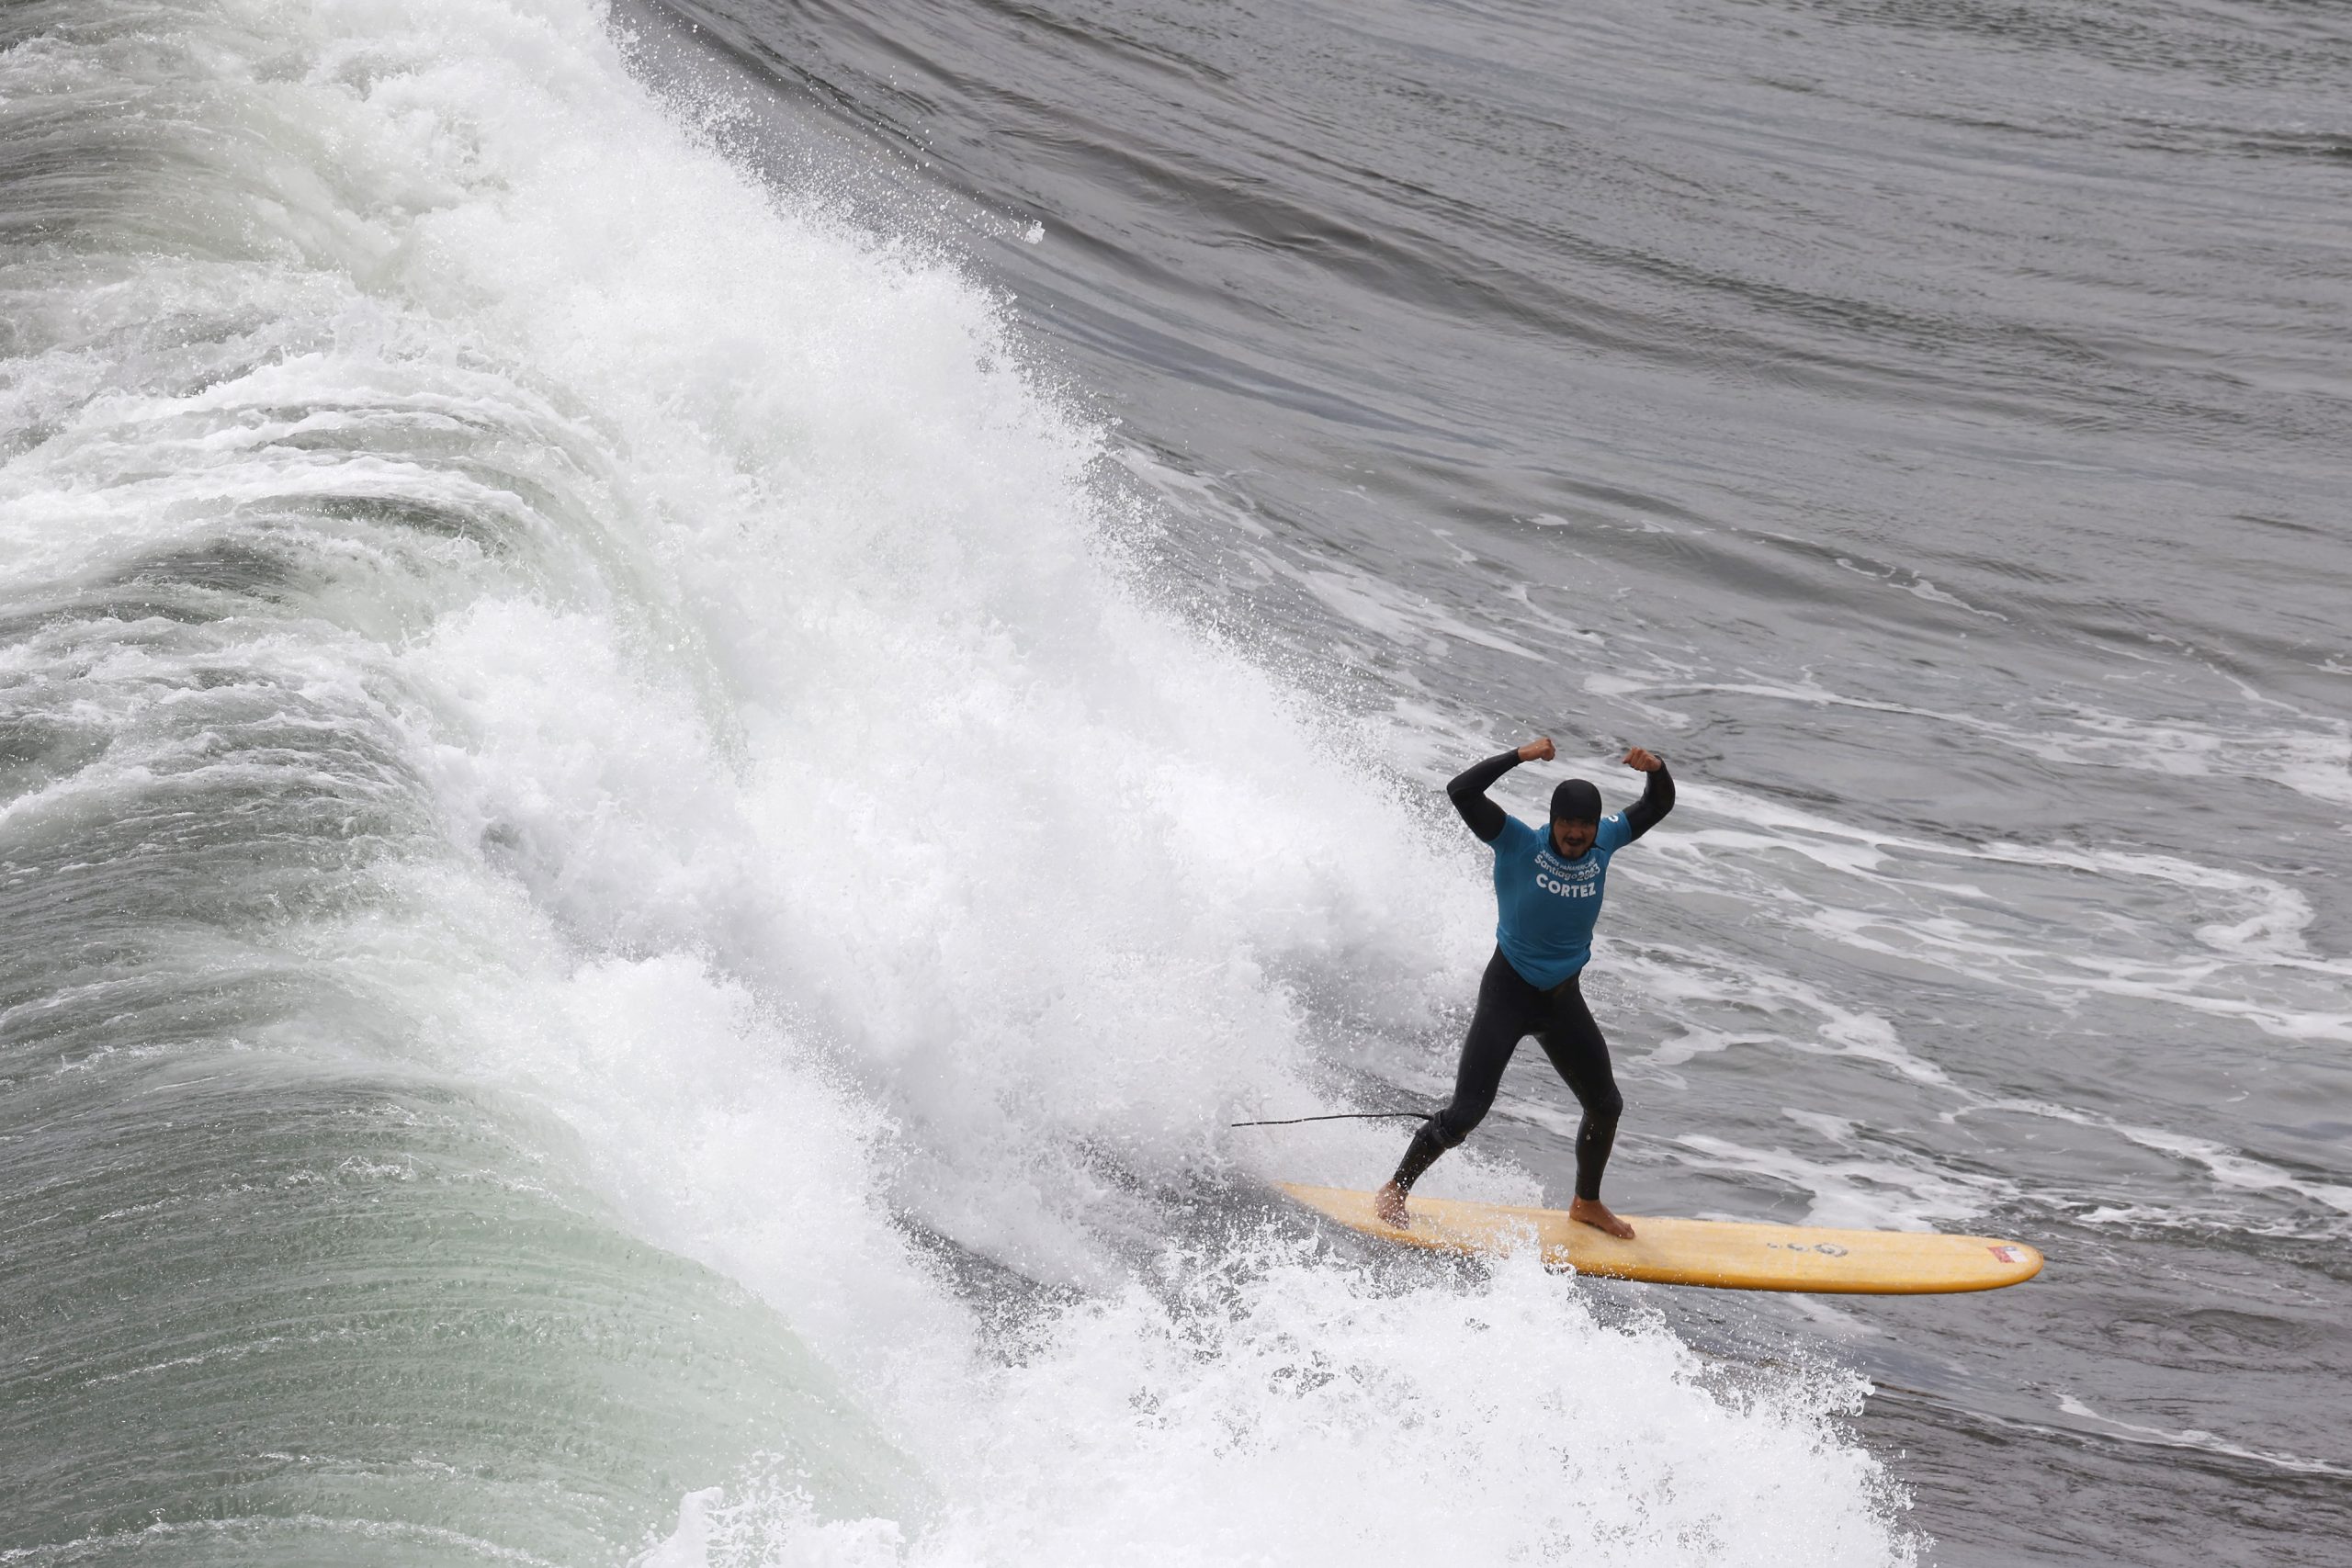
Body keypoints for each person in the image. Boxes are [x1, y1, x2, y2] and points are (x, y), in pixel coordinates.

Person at [1372, 738, 1674, 1238]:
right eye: (1567, 824)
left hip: (1562, 999)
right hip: (1507, 993)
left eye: (1584, 825)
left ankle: (1586, 1203)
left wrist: (1657, 769)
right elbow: (1461, 790)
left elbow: (1656, 804)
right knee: (1466, 1113)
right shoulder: (1516, 843)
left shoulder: (1607, 841)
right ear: (1552, 820)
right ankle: (1396, 1189)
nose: (1576, 834)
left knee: (1605, 1105)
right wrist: (1519, 757)